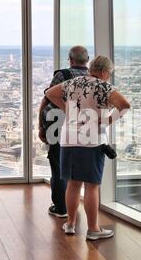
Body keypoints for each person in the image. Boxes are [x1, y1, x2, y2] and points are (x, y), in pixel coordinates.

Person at [45, 55, 130, 240]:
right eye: (110, 74)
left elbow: (50, 93)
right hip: (91, 139)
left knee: (73, 184)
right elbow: (124, 105)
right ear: (105, 72)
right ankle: (93, 229)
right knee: (92, 186)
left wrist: (66, 109)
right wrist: (107, 120)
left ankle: (70, 224)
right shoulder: (104, 86)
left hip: (68, 138)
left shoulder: (73, 82)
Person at [38, 46, 90, 218]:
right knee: (79, 167)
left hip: (58, 125)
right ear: (87, 59)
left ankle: (61, 207)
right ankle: (74, 204)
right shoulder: (93, 78)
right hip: (84, 127)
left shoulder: (62, 75)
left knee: (59, 165)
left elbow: (47, 99)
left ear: (70, 59)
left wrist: (41, 126)